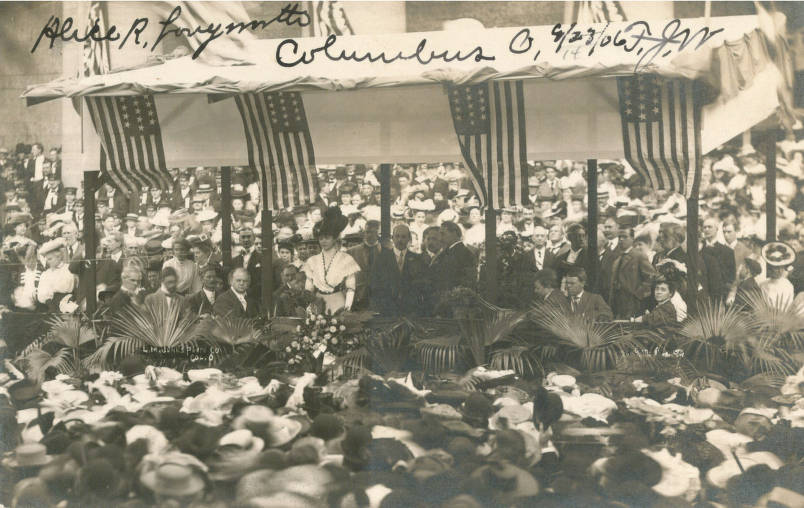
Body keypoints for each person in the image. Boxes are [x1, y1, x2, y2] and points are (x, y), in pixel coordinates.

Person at [302, 207, 361, 314]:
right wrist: (309, 310)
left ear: (334, 239)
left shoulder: (346, 259)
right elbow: (308, 290)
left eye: (327, 238)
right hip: (318, 304)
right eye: (321, 238)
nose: (323, 241)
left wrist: (347, 309)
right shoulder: (312, 261)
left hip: (338, 303)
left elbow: (350, 289)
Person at [370, 224, 426, 317]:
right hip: (387, 309)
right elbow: (375, 283)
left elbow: (420, 286)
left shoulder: (417, 259)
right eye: (397, 236)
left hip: (410, 310)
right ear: (392, 238)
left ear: (409, 239)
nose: (400, 240)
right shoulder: (381, 258)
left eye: (403, 237)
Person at [610, 227, 657, 319]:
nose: (621, 240)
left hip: (633, 305)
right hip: (617, 304)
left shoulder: (639, 256)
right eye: (619, 237)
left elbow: (651, 277)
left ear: (632, 239)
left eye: (624, 237)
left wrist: (638, 295)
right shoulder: (617, 258)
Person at [433, 221, 476, 296]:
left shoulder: (462, 253)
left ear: (454, 233)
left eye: (443, 234)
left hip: (453, 296)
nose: (440, 238)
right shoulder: (447, 251)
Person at [346, 220, 380, 311]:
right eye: (368, 232)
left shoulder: (386, 252)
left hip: (378, 300)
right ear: (364, 232)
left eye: (374, 232)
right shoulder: (351, 252)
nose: (370, 235)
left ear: (378, 234)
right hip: (357, 300)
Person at [36, 238, 77, 312]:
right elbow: (42, 293)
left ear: (59, 257)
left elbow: (73, 287)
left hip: (69, 302)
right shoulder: (46, 274)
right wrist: (50, 303)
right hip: (51, 306)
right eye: (47, 259)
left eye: (50, 259)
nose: (48, 262)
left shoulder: (68, 269)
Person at [759, 242, 795, 308]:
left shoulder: (787, 285)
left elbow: (787, 307)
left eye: (780, 267)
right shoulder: (763, 284)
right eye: (774, 267)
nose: (777, 270)